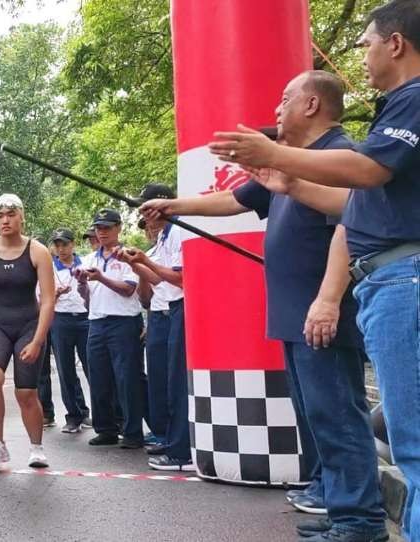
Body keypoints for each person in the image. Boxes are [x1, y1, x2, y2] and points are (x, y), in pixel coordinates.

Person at [206, 55, 412, 540]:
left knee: (343, 419)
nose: (277, 109)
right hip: (301, 312)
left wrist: (327, 298)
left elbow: (350, 221)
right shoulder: (302, 163)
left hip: (331, 309)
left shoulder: (340, 155)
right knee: (324, 418)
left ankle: (359, 522)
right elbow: (238, 200)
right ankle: (347, 517)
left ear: (312, 103)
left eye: (284, 99)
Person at [0, 194, 55, 471]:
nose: (5, 220)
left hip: (28, 326)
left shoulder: (38, 251)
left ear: (22, 216)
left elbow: (47, 300)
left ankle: (36, 448)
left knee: (26, 393)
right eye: (0, 216)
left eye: (10, 214)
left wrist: (38, 339)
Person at [121, 183, 191, 471]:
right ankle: (174, 441)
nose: (143, 214)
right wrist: (136, 265)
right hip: (170, 309)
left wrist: (144, 260)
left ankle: (182, 451)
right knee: (168, 383)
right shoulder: (164, 237)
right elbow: (160, 281)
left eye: (146, 207)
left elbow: (180, 278)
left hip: (182, 307)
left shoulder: (179, 232)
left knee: (178, 382)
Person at [78, 208, 146, 449]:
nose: (102, 232)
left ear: (118, 227)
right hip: (96, 322)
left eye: (107, 227)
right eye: (99, 228)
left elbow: (129, 289)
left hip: (123, 322)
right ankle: (106, 428)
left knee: (127, 379)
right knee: (98, 378)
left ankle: (133, 432)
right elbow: (87, 298)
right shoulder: (89, 260)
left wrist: (101, 278)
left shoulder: (128, 255)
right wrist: (82, 283)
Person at [38, 228, 92, 434]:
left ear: (73, 244)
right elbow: (41, 298)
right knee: (65, 370)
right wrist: (56, 295)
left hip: (86, 318)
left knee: (93, 369)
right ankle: (73, 415)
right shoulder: (49, 269)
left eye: (65, 244)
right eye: (57, 245)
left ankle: (106, 415)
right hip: (60, 320)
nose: (61, 249)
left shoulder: (87, 263)